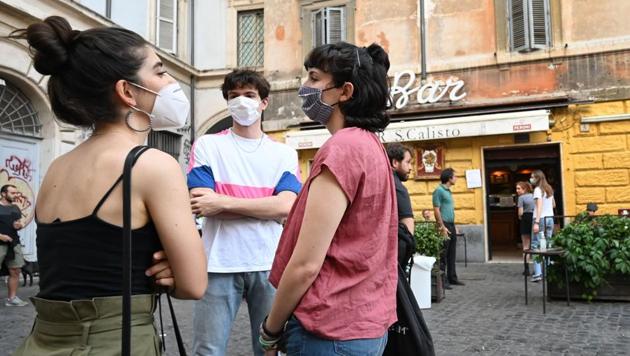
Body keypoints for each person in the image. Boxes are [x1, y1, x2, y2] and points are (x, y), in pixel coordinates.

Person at [11, 16, 207, 355]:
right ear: (127, 91)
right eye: (159, 72)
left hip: (43, 341)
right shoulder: (152, 165)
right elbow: (193, 284)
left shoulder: (57, 167)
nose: (170, 81)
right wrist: (169, 268)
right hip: (114, 341)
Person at [260, 42, 397, 355]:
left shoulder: (342, 148)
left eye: (313, 78)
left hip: (329, 329)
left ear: (344, 91)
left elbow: (306, 264)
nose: (304, 88)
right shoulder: (370, 145)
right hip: (363, 324)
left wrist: (270, 329)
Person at [187, 69, 301, 356]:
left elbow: (287, 206)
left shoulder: (284, 153)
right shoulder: (208, 145)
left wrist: (222, 203)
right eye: (233, 96)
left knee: (269, 349)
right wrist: (266, 207)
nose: (241, 102)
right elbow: (201, 202)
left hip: (270, 263)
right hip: (217, 264)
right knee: (207, 350)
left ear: (264, 102)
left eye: (249, 95)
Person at [432, 168, 464, 289]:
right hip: (444, 224)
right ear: (449, 178)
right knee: (443, 254)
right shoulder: (439, 191)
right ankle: (443, 280)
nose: (456, 178)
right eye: (455, 176)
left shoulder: (448, 191)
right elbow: (436, 210)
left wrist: (454, 226)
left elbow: (449, 210)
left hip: (451, 224)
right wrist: (442, 226)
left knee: (452, 253)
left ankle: (452, 278)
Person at [0, 185, 27, 306]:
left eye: (16, 193)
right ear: (3, 194)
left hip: (14, 243)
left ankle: (12, 299)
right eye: (12, 193)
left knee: (15, 271)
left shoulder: (16, 207)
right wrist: (1, 236)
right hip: (0, 243)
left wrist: (19, 225)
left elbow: (19, 222)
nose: (15, 195)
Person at [530, 169, 556, 283]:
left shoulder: (537, 190)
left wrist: (536, 222)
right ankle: (548, 272)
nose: (531, 179)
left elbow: (539, 206)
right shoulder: (549, 188)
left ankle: (538, 273)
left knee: (536, 245)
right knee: (547, 245)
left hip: (540, 219)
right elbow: (554, 205)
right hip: (550, 218)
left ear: (537, 178)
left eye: (532, 177)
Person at [386, 143, 415, 234]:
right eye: (408, 162)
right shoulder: (398, 188)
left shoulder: (383, 181)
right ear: (395, 163)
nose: (410, 168)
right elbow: (408, 232)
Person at [516, 181, 535, 276]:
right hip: (535, 218)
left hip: (525, 219)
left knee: (526, 246)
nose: (517, 190)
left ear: (525, 189)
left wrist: (520, 217)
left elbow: (520, 213)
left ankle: (526, 269)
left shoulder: (521, 198)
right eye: (517, 188)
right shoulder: (534, 195)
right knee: (536, 245)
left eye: (519, 188)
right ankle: (537, 269)